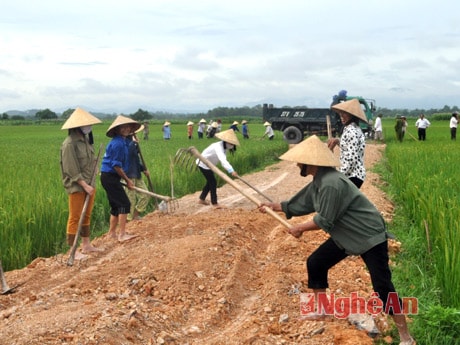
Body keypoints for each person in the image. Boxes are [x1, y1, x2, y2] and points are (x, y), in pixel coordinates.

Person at [259, 135, 415, 345]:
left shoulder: (331, 183)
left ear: (310, 163)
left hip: (368, 234)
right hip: (347, 233)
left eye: (299, 161)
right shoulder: (321, 180)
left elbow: (325, 220)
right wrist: (273, 206)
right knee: (316, 263)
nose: (297, 164)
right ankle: (322, 310)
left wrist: (300, 228)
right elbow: (302, 201)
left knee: (382, 285)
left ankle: (406, 337)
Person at [60, 107, 104, 260]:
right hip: (78, 186)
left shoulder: (85, 140)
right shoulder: (69, 144)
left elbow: (89, 161)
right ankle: (72, 250)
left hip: (90, 183)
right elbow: (71, 169)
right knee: (75, 217)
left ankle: (86, 244)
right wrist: (84, 185)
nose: (88, 127)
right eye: (86, 124)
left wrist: (96, 167)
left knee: (87, 215)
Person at [100, 115, 141, 242]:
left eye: (128, 126)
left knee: (116, 206)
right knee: (124, 204)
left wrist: (135, 140)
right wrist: (128, 180)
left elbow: (131, 144)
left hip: (108, 177)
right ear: (117, 130)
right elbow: (116, 165)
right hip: (110, 177)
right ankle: (122, 234)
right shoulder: (118, 144)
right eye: (122, 127)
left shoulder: (122, 141)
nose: (126, 129)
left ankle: (112, 233)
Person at [327, 99, 367, 189]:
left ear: (352, 116)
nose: (341, 116)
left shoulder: (352, 131)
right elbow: (348, 146)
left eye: (344, 113)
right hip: (354, 175)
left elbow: (352, 158)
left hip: (352, 175)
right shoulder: (351, 128)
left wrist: (339, 175)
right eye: (341, 113)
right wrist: (337, 141)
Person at [197, 129, 239, 208]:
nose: (232, 146)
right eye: (231, 143)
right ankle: (215, 203)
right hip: (203, 164)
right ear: (226, 141)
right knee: (213, 182)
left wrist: (230, 170)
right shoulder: (218, 147)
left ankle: (201, 199)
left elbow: (224, 160)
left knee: (210, 182)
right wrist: (231, 171)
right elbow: (223, 160)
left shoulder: (224, 148)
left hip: (210, 165)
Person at [125, 126, 150, 221]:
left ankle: (136, 214)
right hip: (128, 175)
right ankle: (128, 220)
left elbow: (135, 160)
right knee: (130, 199)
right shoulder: (125, 143)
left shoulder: (134, 144)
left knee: (145, 194)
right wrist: (134, 143)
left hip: (136, 173)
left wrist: (143, 169)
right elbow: (128, 155)